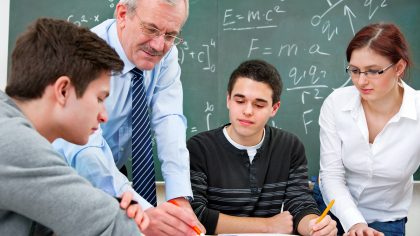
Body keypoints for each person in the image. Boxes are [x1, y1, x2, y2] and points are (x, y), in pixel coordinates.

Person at [52, 0, 204, 235]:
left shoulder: (166, 52)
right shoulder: (84, 54)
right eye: (151, 29)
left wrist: (178, 200)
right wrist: (141, 212)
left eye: (171, 35)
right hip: (65, 171)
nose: (158, 45)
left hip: (114, 168)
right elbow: (86, 152)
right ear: (122, 14)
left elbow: (169, 120)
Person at [0, 18, 149, 235]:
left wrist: (114, 209)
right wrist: (118, 217)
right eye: (100, 98)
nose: (104, 116)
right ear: (63, 91)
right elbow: (115, 229)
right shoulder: (15, 143)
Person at [188, 59, 338, 236]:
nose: (248, 111)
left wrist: (314, 226)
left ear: (274, 108)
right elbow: (194, 214)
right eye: (240, 101)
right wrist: (267, 225)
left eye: (259, 105)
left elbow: (300, 204)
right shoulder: (199, 148)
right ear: (228, 100)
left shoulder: (289, 146)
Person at [315, 22, 419, 236]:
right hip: (330, 211)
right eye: (354, 70)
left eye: (373, 71)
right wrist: (354, 223)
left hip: (385, 220)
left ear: (399, 67)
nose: (361, 81)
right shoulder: (336, 103)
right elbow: (332, 175)